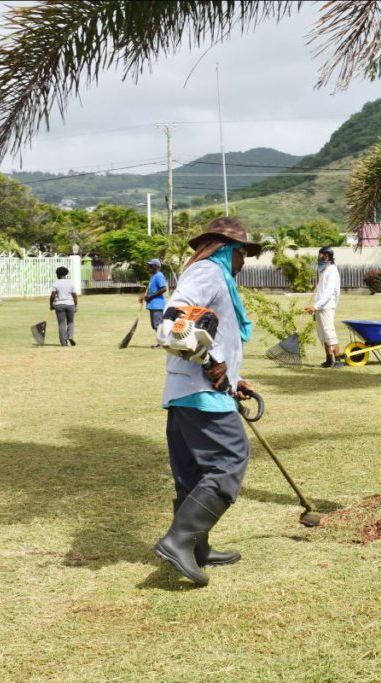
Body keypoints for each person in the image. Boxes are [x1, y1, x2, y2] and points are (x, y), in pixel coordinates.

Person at [152, 216, 261, 587]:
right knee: (230, 460)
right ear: (228, 250)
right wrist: (213, 362)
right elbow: (173, 321)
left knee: (193, 473)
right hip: (201, 393)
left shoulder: (215, 276)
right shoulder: (210, 272)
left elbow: (212, 332)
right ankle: (179, 541)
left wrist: (234, 379)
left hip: (187, 391)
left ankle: (197, 546)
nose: (244, 261)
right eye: (243, 253)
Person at [305, 246, 342, 368]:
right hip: (320, 306)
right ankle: (329, 360)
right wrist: (315, 307)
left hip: (327, 306)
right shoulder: (324, 270)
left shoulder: (332, 270)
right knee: (322, 334)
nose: (318, 257)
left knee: (329, 332)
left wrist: (315, 306)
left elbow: (328, 292)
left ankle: (338, 360)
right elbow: (321, 291)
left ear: (327, 256)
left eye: (320, 254)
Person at [140, 258, 168, 348]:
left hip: (157, 305)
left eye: (151, 265)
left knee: (157, 324)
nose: (149, 267)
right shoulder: (153, 276)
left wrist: (151, 297)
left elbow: (164, 289)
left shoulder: (159, 275)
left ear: (156, 266)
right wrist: (144, 298)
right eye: (149, 265)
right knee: (155, 325)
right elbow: (151, 291)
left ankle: (162, 343)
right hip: (153, 305)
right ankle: (161, 343)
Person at [49, 266, 78, 347]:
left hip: (59, 305)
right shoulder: (71, 283)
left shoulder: (56, 283)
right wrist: (76, 305)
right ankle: (70, 336)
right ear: (66, 274)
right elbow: (74, 295)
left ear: (58, 274)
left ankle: (63, 342)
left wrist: (51, 305)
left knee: (62, 323)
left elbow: (52, 296)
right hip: (70, 304)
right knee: (70, 322)